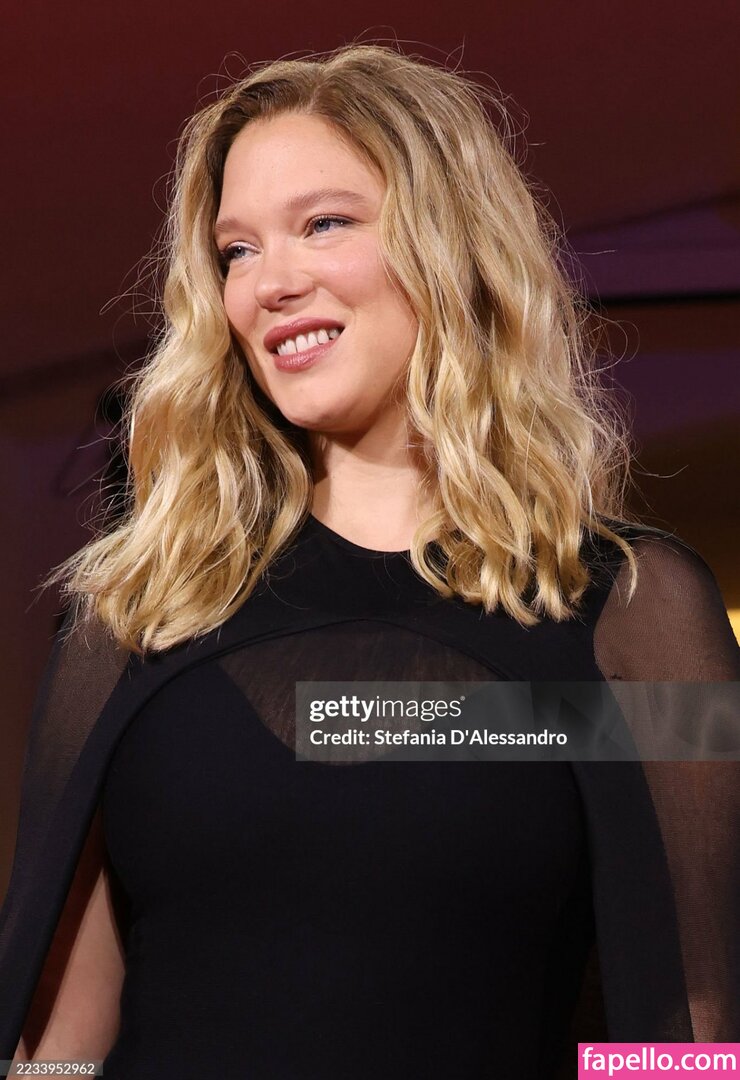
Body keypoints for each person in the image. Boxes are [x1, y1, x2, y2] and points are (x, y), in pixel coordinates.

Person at [2, 43, 738, 1079]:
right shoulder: (137, 610)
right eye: (236, 251)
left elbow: (693, 1024)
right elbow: (58, 1044)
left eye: (324, 224)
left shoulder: (625, 609)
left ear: (448, 244)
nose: (270, 283)